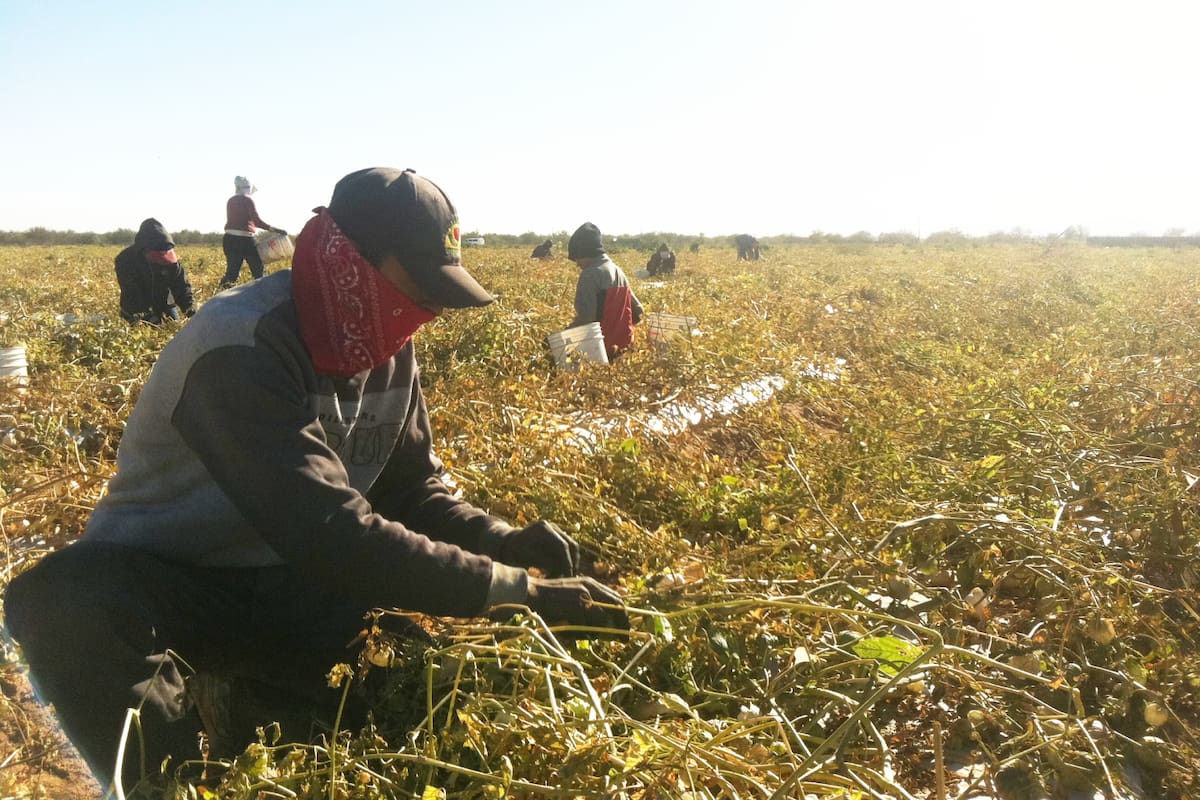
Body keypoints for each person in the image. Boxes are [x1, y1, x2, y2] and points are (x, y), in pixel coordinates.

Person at [3, 167, 629, 791]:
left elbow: (413, 491)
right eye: (419, 287)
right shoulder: (239, 346)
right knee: (66, 602)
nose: (430, 312)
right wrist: (519, 591)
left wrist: (503, 541)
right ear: (346, 261)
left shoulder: (391, 348)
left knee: (408, 681)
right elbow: (330, 532)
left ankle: (260, 705)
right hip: (175, 589)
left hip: (289, 585)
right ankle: (165, 781)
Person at [567, 222, 644, 358]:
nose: (577, 263)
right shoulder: (618, 271)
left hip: (601, 351)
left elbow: (587, 319)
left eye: (577, 258)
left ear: (585, 253)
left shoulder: (591, 274)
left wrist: (563, 337)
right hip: (624, 349)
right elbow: (638, 312)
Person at [114, 218, 196, 325]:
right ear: (144, 250)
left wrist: (192, 313)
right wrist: (152, 320)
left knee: (175, 329)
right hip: (135, 309)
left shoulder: (172, 262)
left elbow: (182, 288)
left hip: (164, 304)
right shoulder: (125, 260)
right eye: (158, 257)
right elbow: (132, 294)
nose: (162, 261)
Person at [220, 175, 287, 289]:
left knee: (231, 275)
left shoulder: (231, 200)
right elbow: (257, 221)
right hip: (246, 241)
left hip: (229, 240)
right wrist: (276, 230)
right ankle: (265, 296)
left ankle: (219, 298)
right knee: (258, 272)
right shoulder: (248, 200)